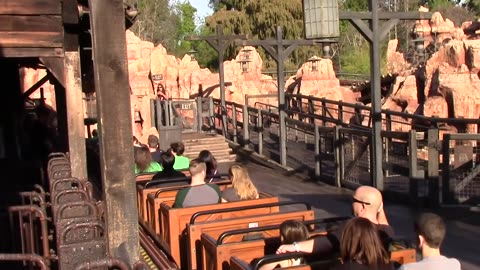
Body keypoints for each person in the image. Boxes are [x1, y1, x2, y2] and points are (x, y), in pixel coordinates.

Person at [276, 186, 393, 258]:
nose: (351, 203)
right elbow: (385, 225)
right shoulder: (386, 232)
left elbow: (326, 243)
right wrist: (379, 207)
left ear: (362, 207)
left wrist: (294, 246)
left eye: (353, 200)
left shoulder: (351, 228)